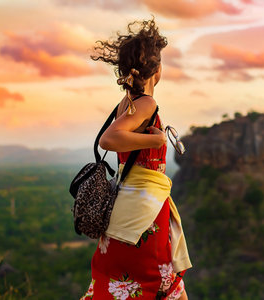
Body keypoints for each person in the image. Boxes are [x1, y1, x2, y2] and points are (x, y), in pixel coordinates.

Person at [80, 17, 192, 300]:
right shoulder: (146, 103)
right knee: (152, 280)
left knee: (121, 280)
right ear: (156, 69)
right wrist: (155, 140)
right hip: (143, 211)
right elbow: (109, 139)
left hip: (126, 206)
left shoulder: (126, 102)